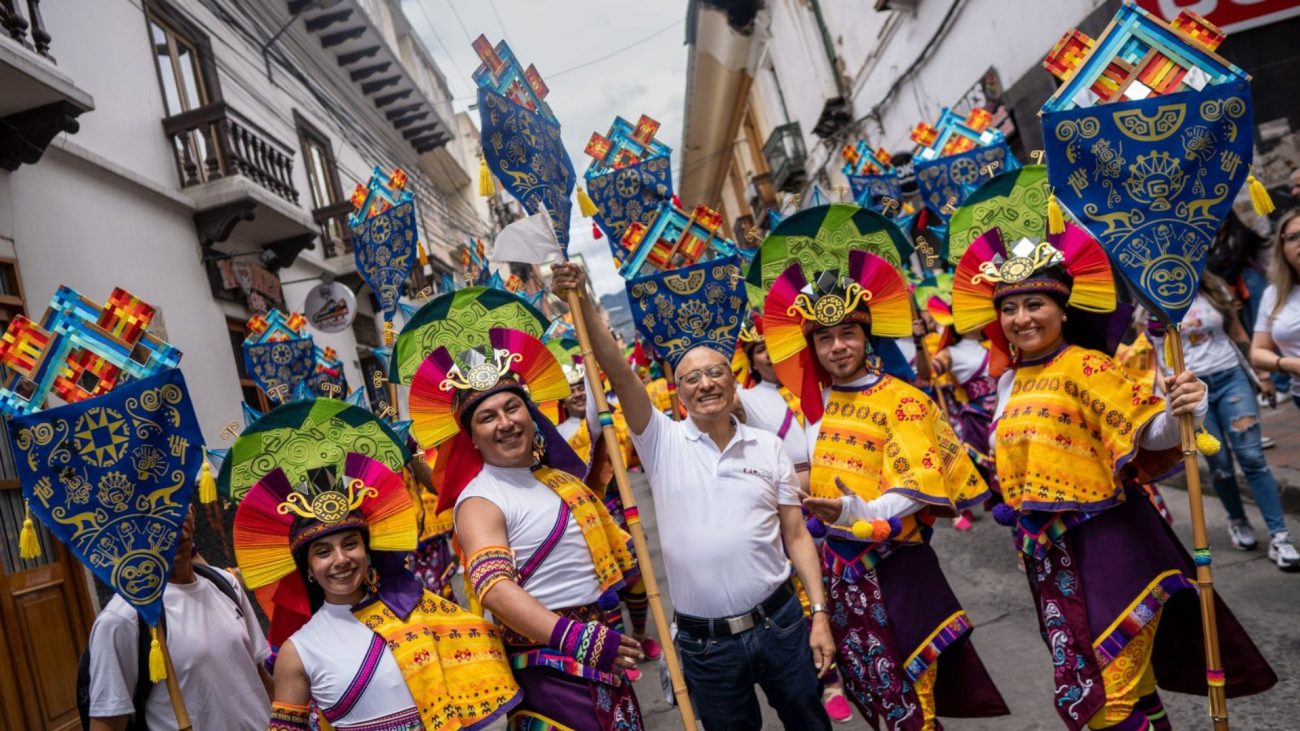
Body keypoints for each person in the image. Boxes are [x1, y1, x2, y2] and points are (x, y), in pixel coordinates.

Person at [952, 225, 1277, 730]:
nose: (1021, 318)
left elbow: (1147, 431)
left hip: (1111, 548)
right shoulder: (1010, 381)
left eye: (1034, 303)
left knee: (1107, 700)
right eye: (1010, 308)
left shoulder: (1087, 366)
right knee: (1128, 688)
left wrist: (1184, 405)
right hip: (1052, 559)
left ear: (1062, 309)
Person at [553, 262, 837, 731]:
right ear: (678, 393)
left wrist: (820, 614)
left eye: (715, 372)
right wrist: (580, 299)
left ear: (732, 379)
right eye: (692, 378)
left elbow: (797, 537)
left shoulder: (768, 447)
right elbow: (621, 375)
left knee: (811, 725)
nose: (706, 383)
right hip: (707, 647)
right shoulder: (662, 441)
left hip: (781, 624)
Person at [763, 251, 1009, 731]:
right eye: (825, 338)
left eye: (848, 334)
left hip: (896, 565)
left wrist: (858, 509)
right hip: (841, 571)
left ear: (866, 336)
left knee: (913, 704)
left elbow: (920, 483)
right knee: (876, 695)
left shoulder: (904, 400)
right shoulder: (812, 408)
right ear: (812, 347)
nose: (837, 347)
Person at [428, 328, 647, 730]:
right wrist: (578, 639)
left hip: (601, 654)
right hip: (548, 670)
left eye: (513, 408)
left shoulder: (556, 480)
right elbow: (494, 588)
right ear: (472, 438)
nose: (505, 423)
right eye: (487, 417)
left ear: (532, 413)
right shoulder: (480, 500)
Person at [234, 452, 522, 731]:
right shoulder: (297, 651)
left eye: (350, 544)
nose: (341, 559)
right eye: (323, 552)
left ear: (367, 551)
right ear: (308, 568)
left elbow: (484, 648)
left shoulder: (415, 609)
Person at [735, 316, 854, 724]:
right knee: (807, 594)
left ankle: (857, 663)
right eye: (762, 349)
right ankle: (831, 681)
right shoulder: (748, 398)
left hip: (843, 503)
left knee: (850, 590)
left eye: (778, 345)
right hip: (792, 509)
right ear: (751, 359)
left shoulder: (824, 385)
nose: (771, 355)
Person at [1152, 273, 1297, 568]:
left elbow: (1237, 331)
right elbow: (1150, 356)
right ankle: (1238, 520)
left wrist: (1264, 377)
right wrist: (1162, 390)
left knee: (1253, 457)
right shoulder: (1148, 293)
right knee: (1219, 464)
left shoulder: (1213, 285)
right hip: (1190, 390)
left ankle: (1279, 535)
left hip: (1230, 378)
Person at [87, 506, 272, 730]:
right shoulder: (122, 619)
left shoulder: (225, 584)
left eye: (176, 511)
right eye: (152, 518)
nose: (171, 529)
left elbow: (258, 675)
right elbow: (108, 722)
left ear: (192, 514)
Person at [1251, 209, 1300, 410]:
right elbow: (1258, 352)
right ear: (1282, 248)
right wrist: (1288, 364)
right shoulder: (1273, 294)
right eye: (1293, 237)